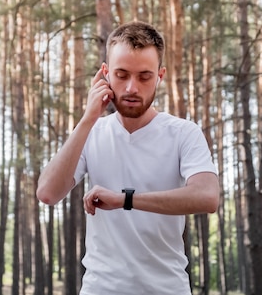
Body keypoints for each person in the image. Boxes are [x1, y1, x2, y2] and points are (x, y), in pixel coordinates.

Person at [36, 21, 219, 295]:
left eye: (144, 76)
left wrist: (125, 200)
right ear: (105, 74)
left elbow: (207, 197)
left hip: (167, 289)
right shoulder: (91, 131)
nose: (132, 88)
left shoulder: (183, 133)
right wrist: (87, 119)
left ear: (160, 76)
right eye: (121, 75)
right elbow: (48, 193)